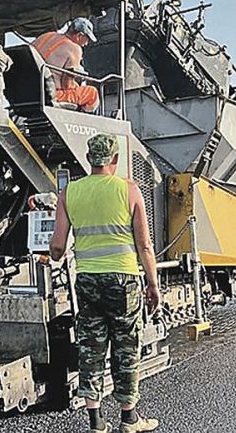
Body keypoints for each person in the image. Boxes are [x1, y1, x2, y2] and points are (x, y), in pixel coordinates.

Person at [49, 133, 161, 433]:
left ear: (90, 159)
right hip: (124, 281)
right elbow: (145, 246)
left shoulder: (69, 193)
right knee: (126, 348)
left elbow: (58, 248)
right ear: (114, 159)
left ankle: (96, 422)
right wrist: (153, 285)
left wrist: (51, 250)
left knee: (92, 347)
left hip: (87, 280)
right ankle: (129, 419)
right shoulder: (129, 190)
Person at [32, 18, 100, 112]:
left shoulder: (45, 36)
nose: (86, 44)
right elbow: (66, 85)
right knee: (92, 93)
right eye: (87, 39)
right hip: (52, 94)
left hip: (29, 92)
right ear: (79, 36)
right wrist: (76, 84)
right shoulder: (74, 48)